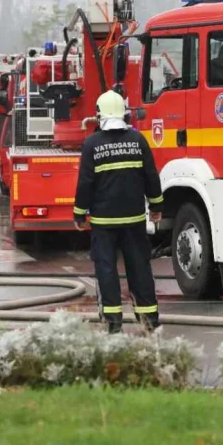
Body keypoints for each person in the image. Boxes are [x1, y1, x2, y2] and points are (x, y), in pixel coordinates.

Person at [73, 91, 163, 333]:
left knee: (106, 268)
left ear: (99, 114)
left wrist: (79, 214)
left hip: (104, 222)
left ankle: (113, 321)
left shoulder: (92, 144)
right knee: (140, 267)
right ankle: (149, 320)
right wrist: (156, 207)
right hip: (134, 219)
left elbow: (85, 183)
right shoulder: (138, 140)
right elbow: (151, 176)